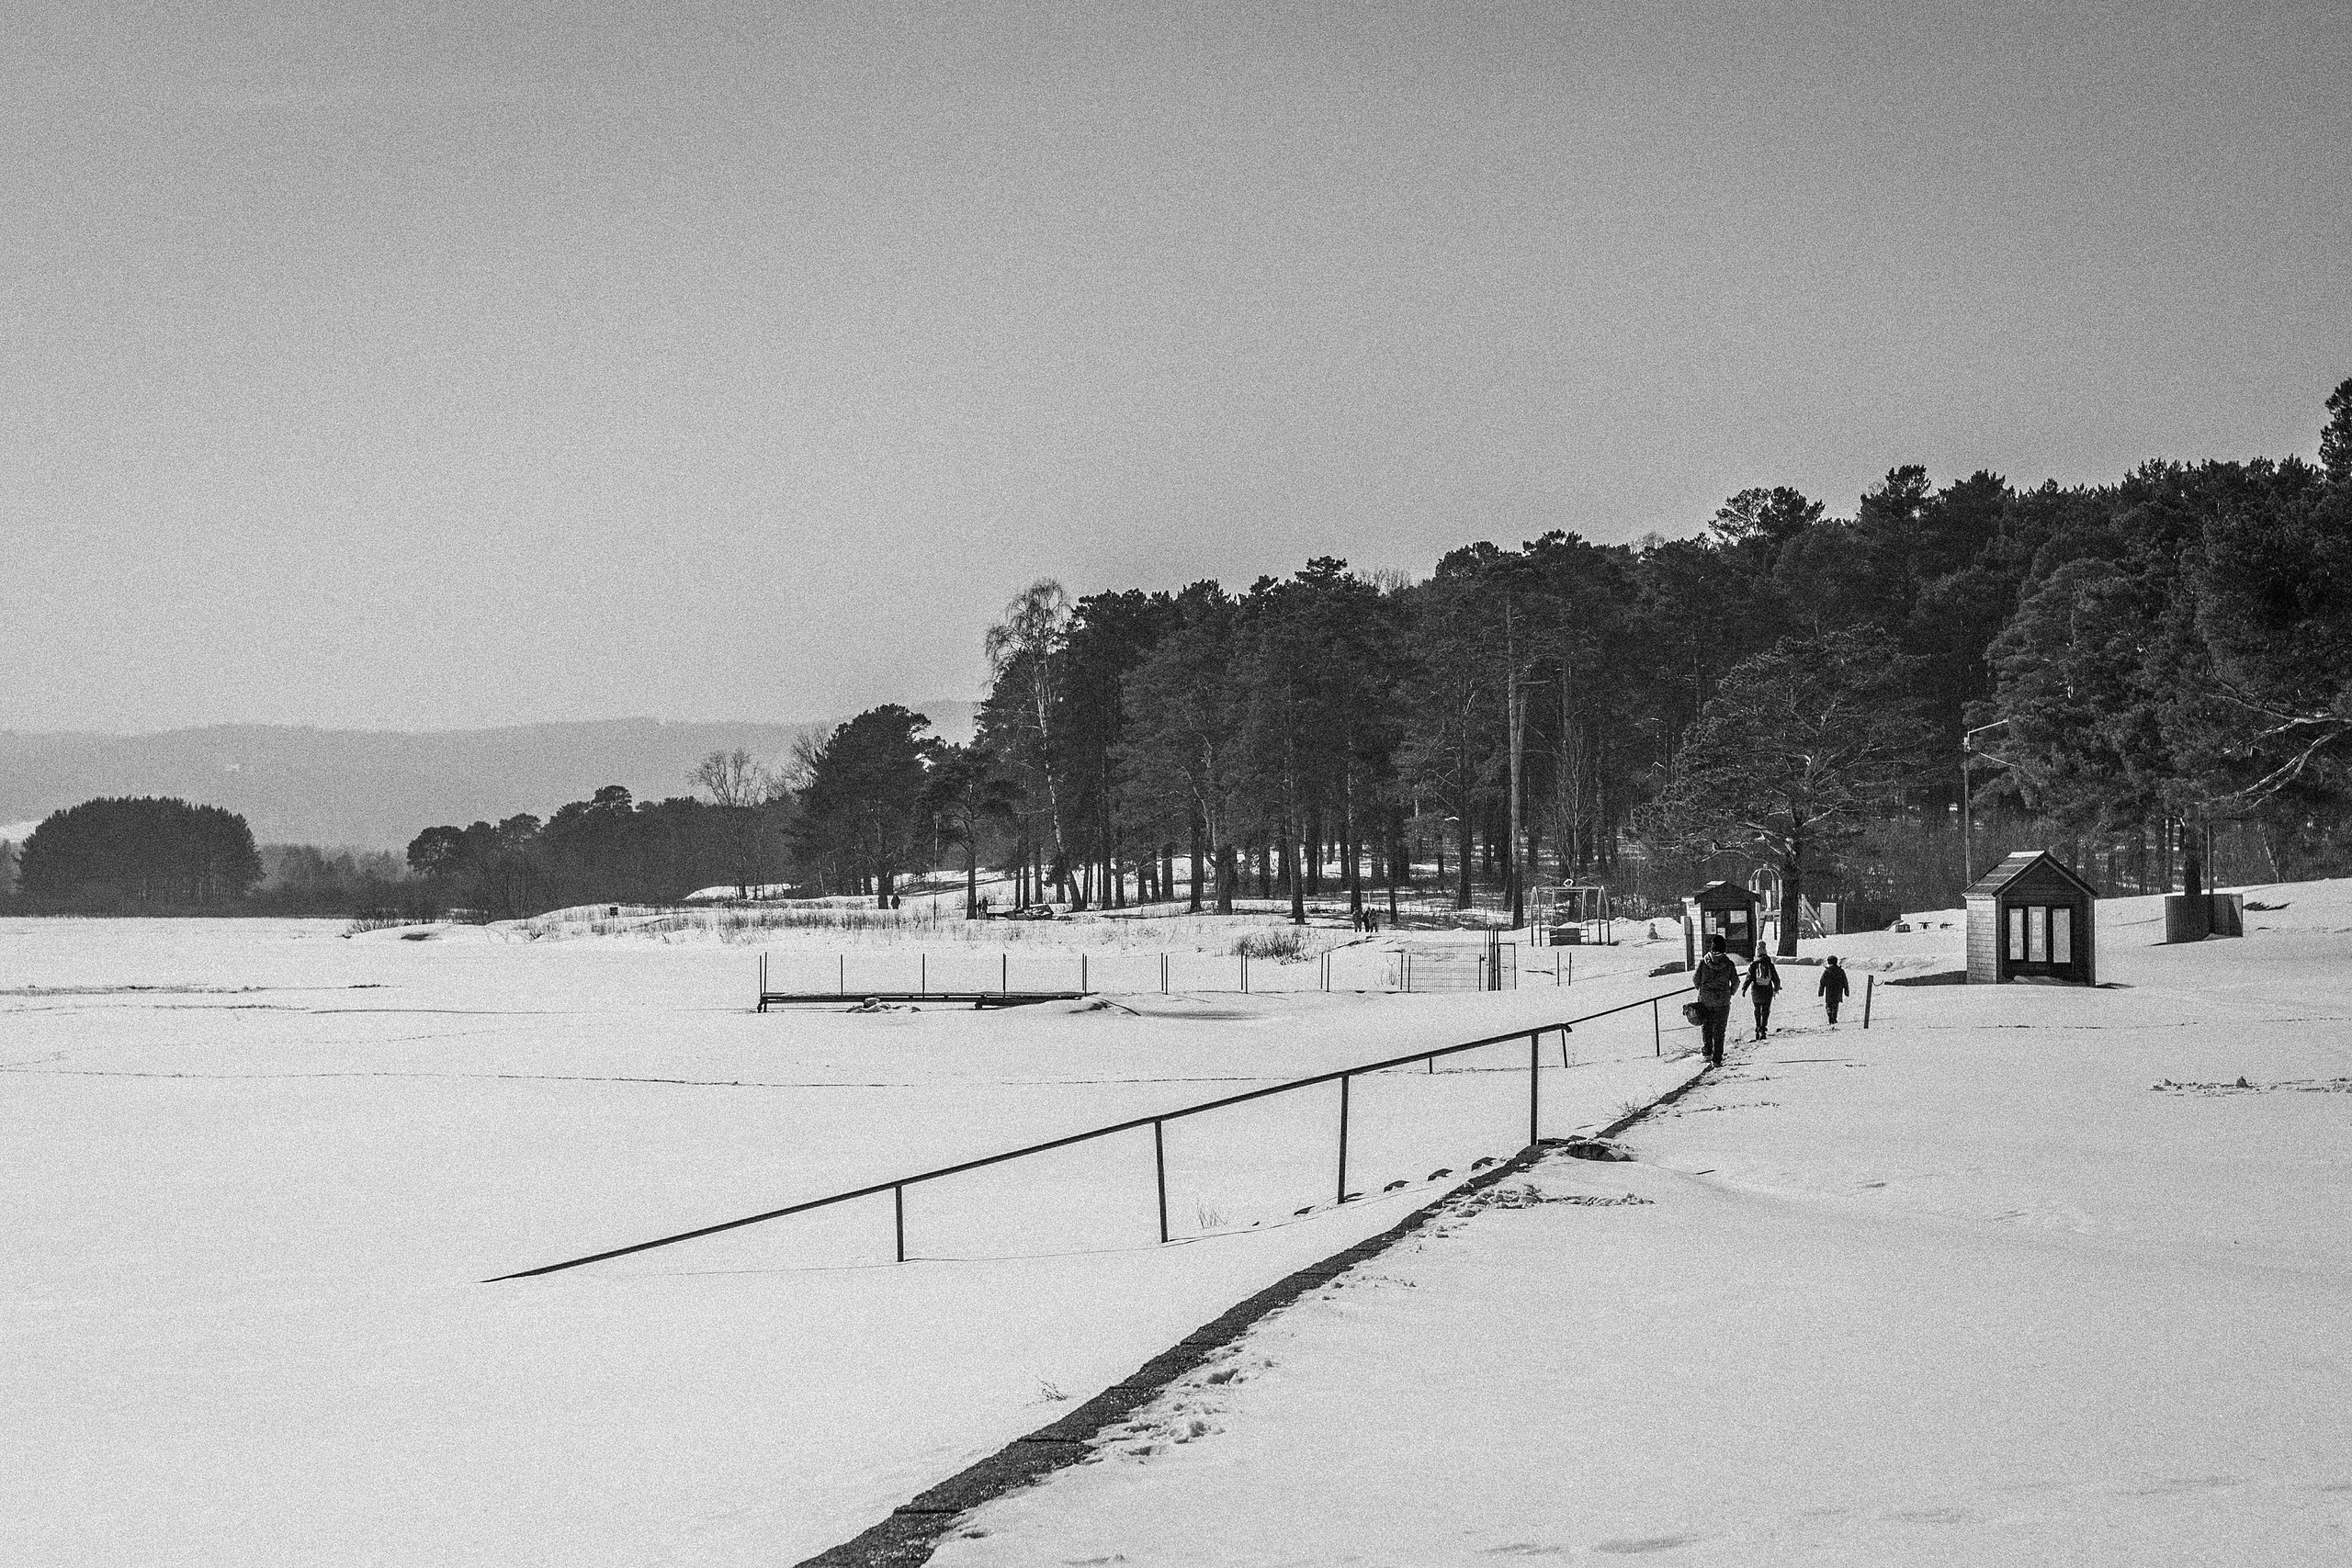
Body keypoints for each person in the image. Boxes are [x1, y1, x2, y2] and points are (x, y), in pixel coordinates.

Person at [1691, 934, 1739, 1066]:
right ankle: (1717, 1059)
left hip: (1705, 1000)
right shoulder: (1729, 963)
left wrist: (1702, 990)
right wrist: (1730, 993)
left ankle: (1707, 1053)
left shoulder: (1703, 962)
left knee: (1706, 1026)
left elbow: (1695, 979)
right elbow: (1736, 981)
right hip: (1722, 1002)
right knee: (1719, 1031)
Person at [1742, 949, 1782, 1040]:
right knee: (1765, 1010)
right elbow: (1776, 978)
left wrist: (1744, 989)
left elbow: (1749, 978)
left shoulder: (1754, 964)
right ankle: (1763, 1029)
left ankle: (1757, 1027)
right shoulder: (1770, 964)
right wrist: (1776, 988)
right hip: (1767, 990)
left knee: (1757, 1009)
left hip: (1756, 990)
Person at [1820, 954, 1851, 1023]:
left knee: (1828, 1005)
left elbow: (1822, 982)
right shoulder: (1841, 971)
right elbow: (1845, 982)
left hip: (1829, 990)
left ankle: (1829, 1013)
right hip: (1838, 990)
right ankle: (1834, 1017)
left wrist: (1821, 991)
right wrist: (1846, 991)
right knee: (1835, 1005)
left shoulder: (1827, 971)